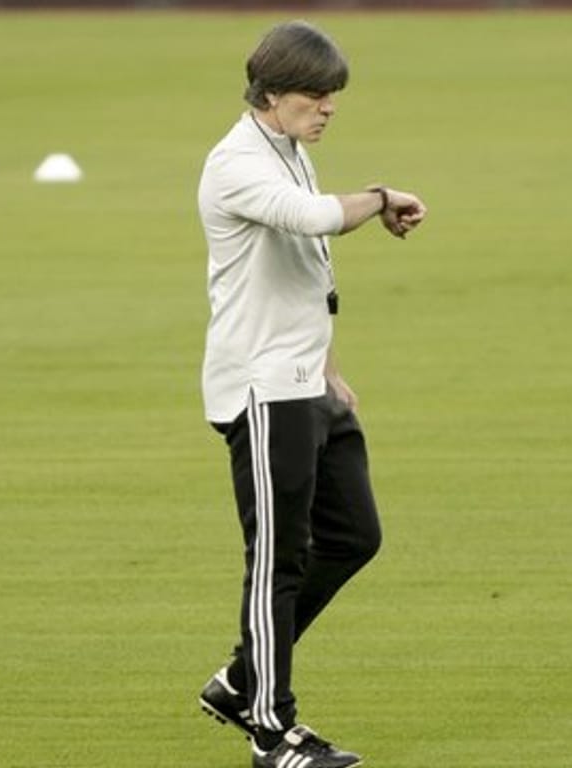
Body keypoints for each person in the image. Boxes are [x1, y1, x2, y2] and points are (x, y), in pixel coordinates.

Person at [193, 20, 426, 768]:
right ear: (270, 93)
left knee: (355, 535)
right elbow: (315, 219)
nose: (328, 108)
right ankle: (270, 729)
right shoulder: (235, 164)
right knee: (278, 560)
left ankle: (238, 679)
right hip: (263, 391)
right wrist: (382, 194)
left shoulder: (287, 150)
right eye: (315, 95)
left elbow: (297, 275)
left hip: (307, 382)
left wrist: (327, 367)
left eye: (333, 97)